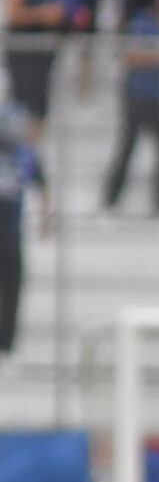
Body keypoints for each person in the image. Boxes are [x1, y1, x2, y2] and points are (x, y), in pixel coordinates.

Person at [102, 0, 159, 216]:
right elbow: (131, 56)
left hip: (155, 95)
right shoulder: (140, 25)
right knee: (128, 147)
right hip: (137, 95)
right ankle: (110, 200)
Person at [0, 106, 51, 355]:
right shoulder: (23, 154)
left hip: (11, 234)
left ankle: (7, 346)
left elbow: (42, 186)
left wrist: (45, 219)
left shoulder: (24, 155)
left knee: (12, 289)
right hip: (9, 234)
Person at [4, 0, 64, 144]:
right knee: (22, 104)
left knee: (39, 108)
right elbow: (14, 14)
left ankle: (31, 152)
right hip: (25, 53)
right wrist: (43, 15)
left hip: (42, 57)